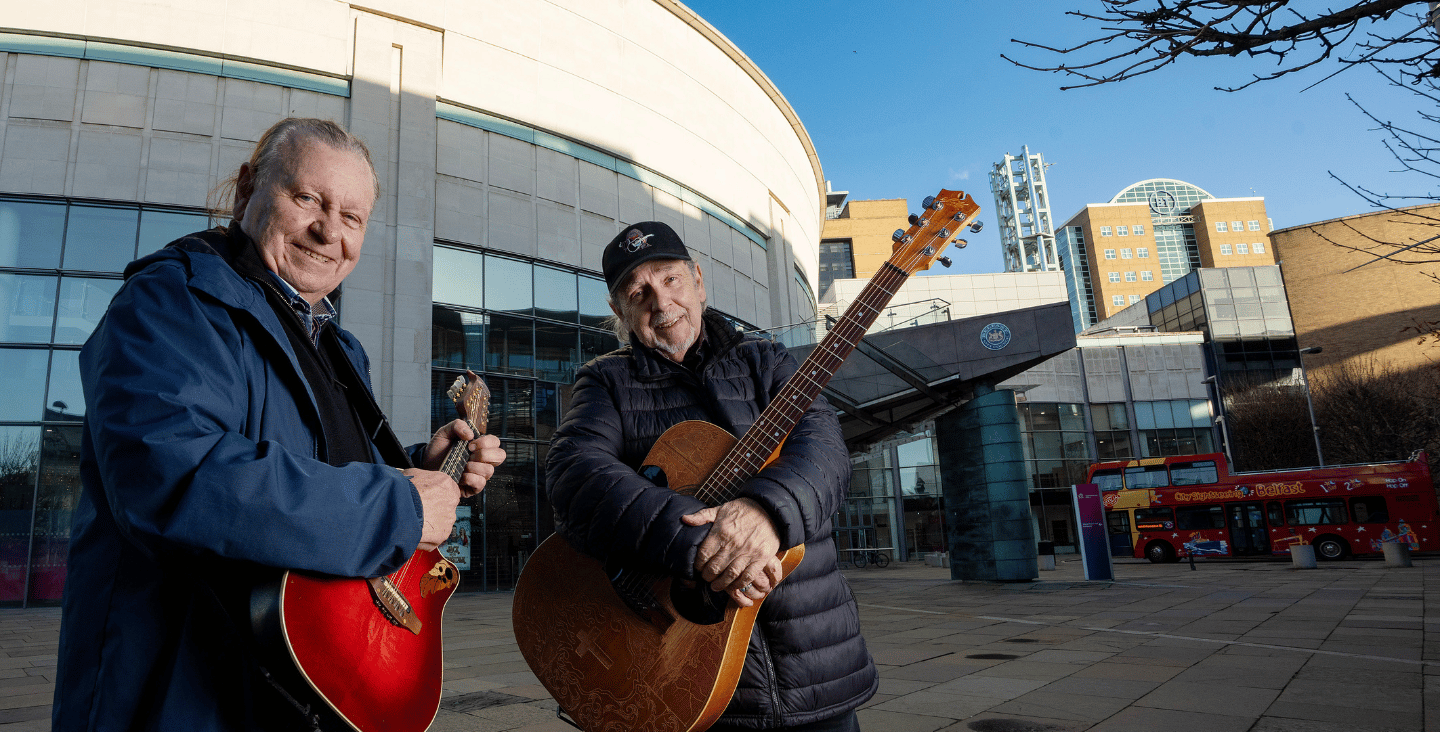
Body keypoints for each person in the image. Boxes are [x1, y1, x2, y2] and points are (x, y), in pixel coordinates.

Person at [52, 118, 505, 731]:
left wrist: (419, 471)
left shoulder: (338, 347)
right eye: (307, 198)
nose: (328, 231)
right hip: (183, 699)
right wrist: (398, 506)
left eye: (353, 217)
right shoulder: (170, 302)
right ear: (246, 191)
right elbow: (172, 476)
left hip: (299, 691)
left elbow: (321, 477)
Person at [546, 221, 877, 731]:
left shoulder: (766, 361)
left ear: (699, 281)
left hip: (813, 663)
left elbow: (827, 452)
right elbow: (575, 474)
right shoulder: (606, 381)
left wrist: (767, 513)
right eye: (639, 292)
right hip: (679, 673)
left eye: (671, 279)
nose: (661, 302)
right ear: (620, 311)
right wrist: (697, 540)